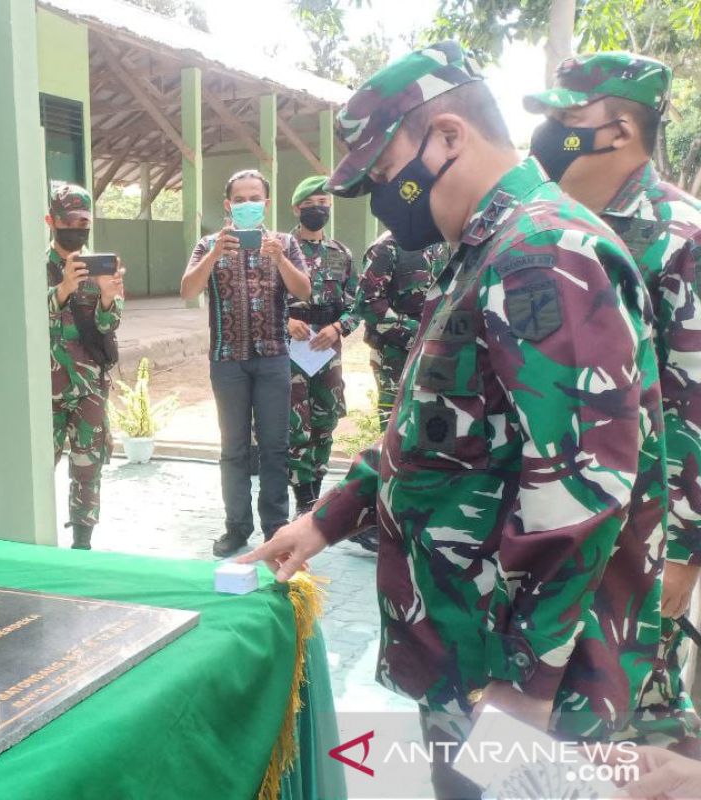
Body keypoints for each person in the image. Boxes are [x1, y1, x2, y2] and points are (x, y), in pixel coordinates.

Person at [241, 41, 666, 800]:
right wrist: (324, 521)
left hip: (521, 687)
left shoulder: (538, 253)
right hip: (471, 659)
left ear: (447, 136)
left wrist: (526, 685)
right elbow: (431, 425)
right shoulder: (485, 249)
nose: (383, 194)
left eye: (384, 171)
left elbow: (583, 487)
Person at [526, 52, 701, 752]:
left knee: (640, 708)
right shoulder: (562, 227)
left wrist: (686, 549)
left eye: (568, 120)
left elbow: (695, 400)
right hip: (564, 520)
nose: (550, 136)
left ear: (621, 129)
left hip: (643, 535)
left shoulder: (679, 237)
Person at [180, 169, 311, 558]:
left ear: (266, 203)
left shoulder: (286, 242)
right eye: (239, 199)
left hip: (272, 358)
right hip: (227, 360)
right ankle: (236, 527)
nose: (247, 204)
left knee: (275, 446)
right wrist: (216, 254)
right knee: (233, 448)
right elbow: (188, 289)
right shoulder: (208, 244)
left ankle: (275, 528)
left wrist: (281, 259)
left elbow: (304, 289)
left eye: (255, 198)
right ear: (228, 204)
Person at [44, 184, 125, 550]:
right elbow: (22, 318)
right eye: (69, 220)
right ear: (52, 221)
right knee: (39, 466)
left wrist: (108, 297)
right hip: (43, 389)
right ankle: (28, 534)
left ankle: (82, 541)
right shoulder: (32, 266)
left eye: (84, 220)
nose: (77, 226)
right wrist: (61, 290)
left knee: (88, 467)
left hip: (89, 388)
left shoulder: (101, 267)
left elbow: (109, 328)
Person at [285, 176, 360, 522]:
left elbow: (357, 303)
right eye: (312, 204)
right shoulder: (282, 250)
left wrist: (337, 327)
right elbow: (262, 299)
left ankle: (316, 490)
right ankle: (302, 497)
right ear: (297, 208)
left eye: (324, 203)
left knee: (325, 419)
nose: (319, 209)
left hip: (327, 350)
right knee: (295, 421)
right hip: (292, 350)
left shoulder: (341, 254)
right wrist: (284, 322)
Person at [354, 233, 437, 430]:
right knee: (395, 428)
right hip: (395, 355)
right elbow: (368, 302)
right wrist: (418, 334)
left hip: (438, 353)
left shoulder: (442, 245)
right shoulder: (387, 247)